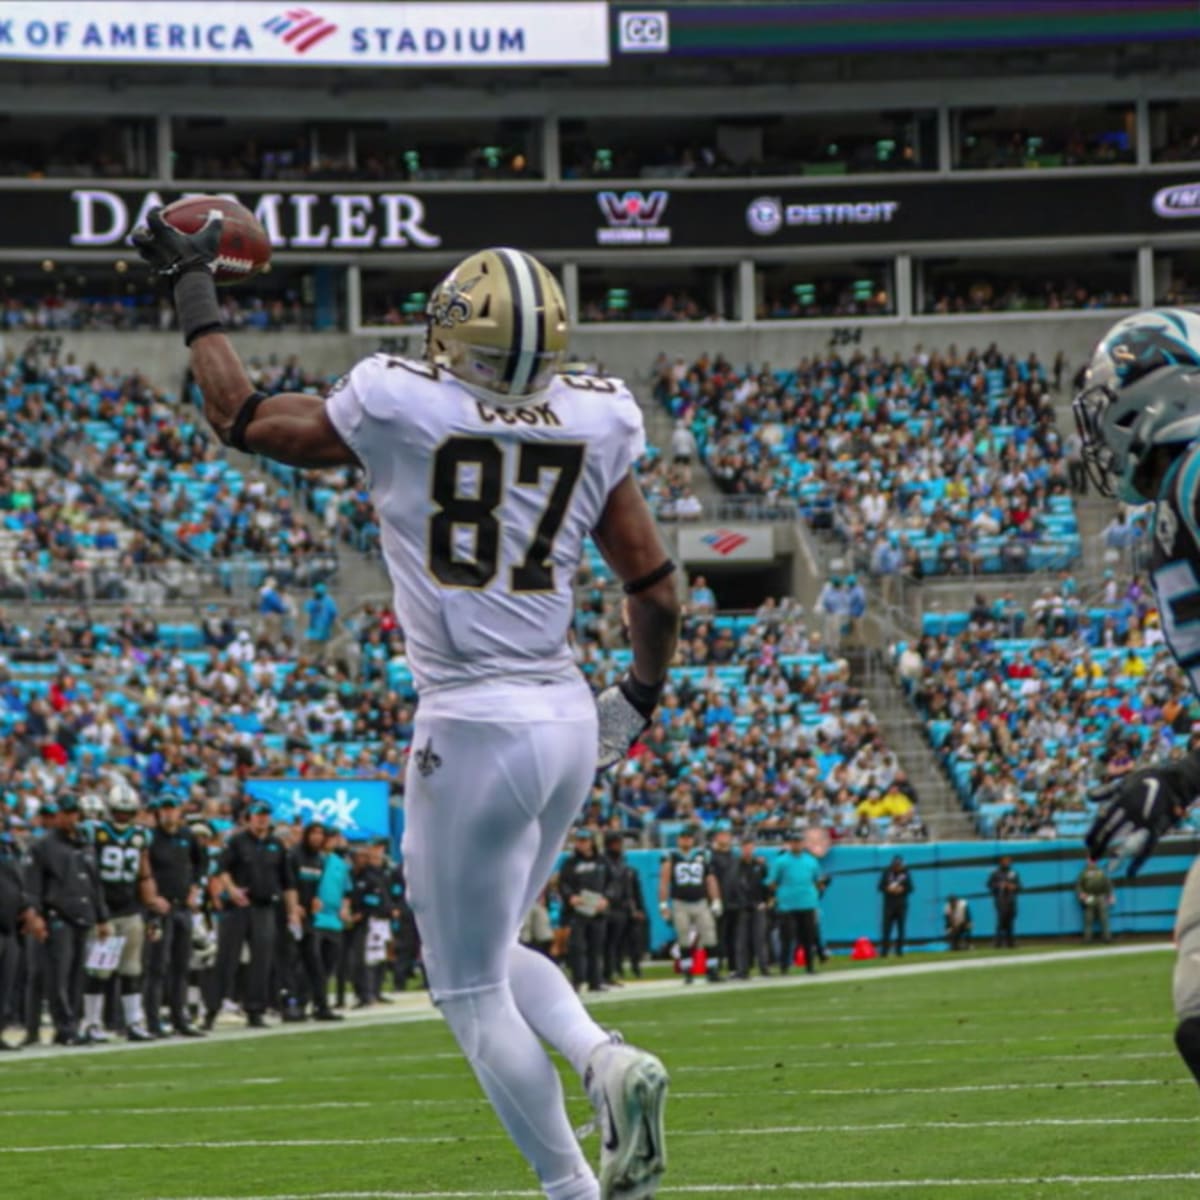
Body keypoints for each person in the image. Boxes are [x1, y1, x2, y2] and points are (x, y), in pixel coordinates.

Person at [135, 219, 676, 1198]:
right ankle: (603, 1056)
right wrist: (635, 699)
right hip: (564, 714)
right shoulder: (597, 416)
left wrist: (193, 289)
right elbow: (659, 591)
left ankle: (571, 1187)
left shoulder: (403, 400)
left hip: (470, 720)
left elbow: (242, 414)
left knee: (463, 985)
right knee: (496, 949)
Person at [83, 781, 168, 1042]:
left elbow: (145, 875)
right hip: (104, 910)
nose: (122, 816)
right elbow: (88, 875)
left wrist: (152, 912)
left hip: (131, 909)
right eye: (118, 811)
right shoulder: (94, 832)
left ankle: (133, 1022)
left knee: (132, 969)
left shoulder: (141, 835)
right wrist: (97, 913)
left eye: (127, 811)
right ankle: (92, 1024)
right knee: (99, 970)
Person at [208, 800, 303, 1029]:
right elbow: (221, 869)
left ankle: (255, 1010)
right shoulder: (236, 842)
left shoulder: (276, 845)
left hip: (265, 907)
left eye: (265, 815)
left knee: (262, 960)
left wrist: (293, 911)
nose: (262, 819)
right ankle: (211, 1009)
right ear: (248, 818)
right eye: (258, 815)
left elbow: (288, 882)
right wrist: (230, 890)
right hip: (238, 907)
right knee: (226, 959)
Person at [25, 796, 107, 1046]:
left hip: (83, 916)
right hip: (57, 915)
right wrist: (35, 915)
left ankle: (70, 1026)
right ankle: (65, 1025)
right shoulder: (43, 846)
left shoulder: (84, 843)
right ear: (58, 815)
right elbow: (33, 886)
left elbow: (94, 883)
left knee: (76, 976)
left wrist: (102, 917)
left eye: (74, 813)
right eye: (66, 813)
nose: (71, 818)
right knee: (58, 977)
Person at [144, 791, 207, 1037]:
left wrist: (195, 886)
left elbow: (201, 862)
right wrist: (152, 898)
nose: (169, 813)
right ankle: (152, 1020)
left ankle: (179, 1017)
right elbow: (143, 869)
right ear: (159, 812)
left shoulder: (187, 836)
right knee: (157, 965)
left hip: (182, 907)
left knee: (181, 965)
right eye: (165, 809)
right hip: (160, 908)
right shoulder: (150, 838)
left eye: (173, 809)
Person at [659, 825, 722, 985]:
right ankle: (687, 972)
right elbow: (664, 881)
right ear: (679, 840)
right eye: (683, 838)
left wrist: (716, 899)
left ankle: (712, 969)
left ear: (693, 839)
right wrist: (663, 904)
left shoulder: (702, 855)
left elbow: (710, 879)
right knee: (683, 937)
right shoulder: (671, 856)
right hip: (680, 902)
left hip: (701, 901)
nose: (686, 840)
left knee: (709, 934)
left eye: (688, 837)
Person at [560, 830, 611, 994]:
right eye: (579, 841)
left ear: (591, 842)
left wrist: (607, 898)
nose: (582, 844)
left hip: (597, 909)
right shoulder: (570, 863)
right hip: (578, 910)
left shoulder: (602, 862)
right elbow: (563, 883)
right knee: (577, 946)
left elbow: (613, 882)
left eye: (585, 841)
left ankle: (596, 980)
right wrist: (570, 897)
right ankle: (578, 979)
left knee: (596, 947)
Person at [767, 830, 822, 974]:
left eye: (799, 842)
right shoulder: (781, 861)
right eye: (794, 842)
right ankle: (784, 966)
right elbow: (771, 881)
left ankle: (809, 966)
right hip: (788, 904)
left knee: (808, 937)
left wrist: (813, 891)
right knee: (787, 937)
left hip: (807, 903)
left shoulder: (811, 860)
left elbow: (818, 880)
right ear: (790, 844)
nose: (796, 844)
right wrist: (781, 893)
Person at [729, 836, 770, 979]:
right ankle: (743, 970)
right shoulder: (736, 866)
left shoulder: (759, 865)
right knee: (742, 940)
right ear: (741, 848)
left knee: (759, 938)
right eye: (745, 846)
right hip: (742, 907)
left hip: (758, 905)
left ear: (753, 847)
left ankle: (764, 968)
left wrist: (766, 901)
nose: (747, 849)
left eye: (750, 846)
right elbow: (733, 886)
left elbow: (767, 884)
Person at [878, 855, 914, 958]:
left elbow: (911, 888)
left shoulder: (906, 873)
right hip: (889, 905)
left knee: (901, 928)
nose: (897, 867)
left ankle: (899, 951)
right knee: (886, 929)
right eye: (896, 865)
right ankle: (884, 952)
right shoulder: (886, 872)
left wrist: (902, 889)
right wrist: (888, 889)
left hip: (901, 905)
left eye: (899, 865)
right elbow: (880, 886)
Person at [1076, 856, 1115, 944]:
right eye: (1089, 860)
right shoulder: (1083, 873)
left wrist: (1111, 896)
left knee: (1104, 918)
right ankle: (1087, 939)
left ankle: (1107, 938)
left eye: (1092, 860)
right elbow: (1079, 885)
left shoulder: (1101, 872)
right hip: (1089, 897)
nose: (1091, 862)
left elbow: (1108, 884)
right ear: (1087, 861)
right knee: (1088, 918)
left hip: (1101, 897)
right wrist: (1081, 893)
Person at [987, 856, 1022, 948]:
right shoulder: (995, 873)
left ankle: (1010, 942)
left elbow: (1019, 886)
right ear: (1001, 862)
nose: (1007, 863)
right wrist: (999, 885)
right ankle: (998, 942)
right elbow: (989, 884)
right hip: (1000, 899)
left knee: (1010, 921)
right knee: (1001, 921)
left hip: (1011, 899)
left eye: (1008, 861)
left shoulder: (1013, 873)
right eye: (1005, 861)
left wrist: (1013, 886)